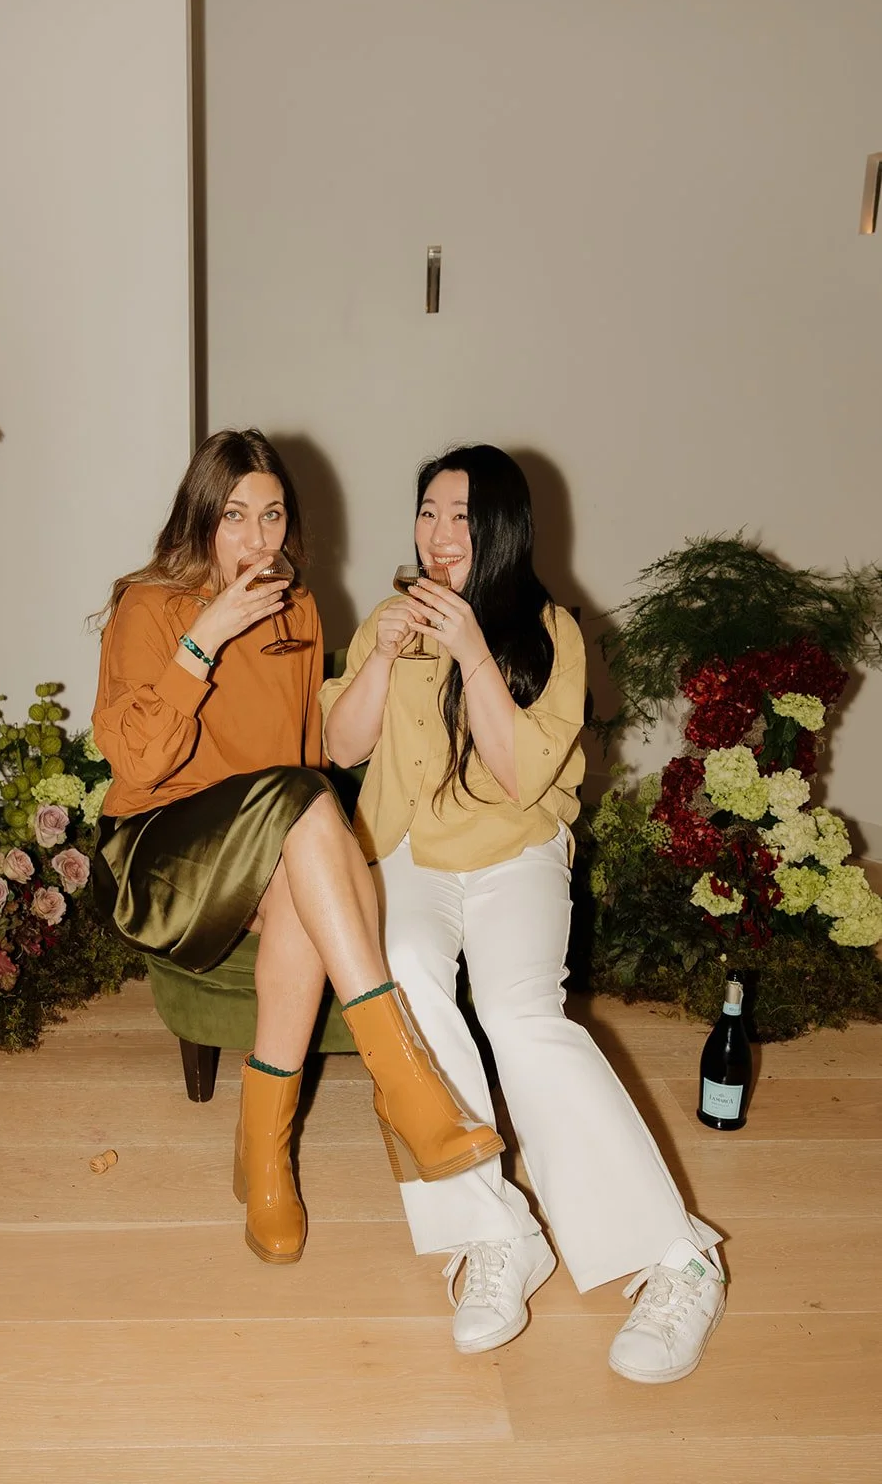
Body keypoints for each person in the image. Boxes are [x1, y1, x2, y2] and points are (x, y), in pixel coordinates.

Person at [320, 443, 726, 1383]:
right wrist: (381, 657)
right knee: (405, 988)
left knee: (518, 1017)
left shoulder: (548, 631)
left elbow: (515, 775)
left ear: (499, 527)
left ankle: (677, 1260)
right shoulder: (386, 617)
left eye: (460, 515)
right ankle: (495, 1234)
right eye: (426, 511)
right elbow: (341, 744)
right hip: (407, 852)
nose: (437, 533)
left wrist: (469, 650)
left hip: (514, 849)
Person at [90, 428, 503, 1268]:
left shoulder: (298, 609)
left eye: (272, 516)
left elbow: (313, 750)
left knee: (302, 856)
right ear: (200, 518)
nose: (257, 539)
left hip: (264, 846)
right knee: (301, 805)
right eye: (235, 516)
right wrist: (202, 638)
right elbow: (136, 762)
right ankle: (407, 1081)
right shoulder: (148, 606)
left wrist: (386, 669)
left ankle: (264, 1159)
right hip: (156, 858)